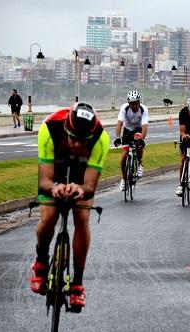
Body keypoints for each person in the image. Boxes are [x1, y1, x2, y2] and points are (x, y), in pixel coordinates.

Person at [29, 102, 110, 311]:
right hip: (55, 168)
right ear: (66, 128)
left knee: (82, 218)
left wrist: (81, 189)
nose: (76, 144)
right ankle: (41, 262)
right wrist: (54, 188)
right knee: (49, 217)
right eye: (73, 138)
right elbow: (44, 181)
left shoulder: (101, 138)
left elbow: (90, 186)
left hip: (81, 174)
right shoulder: (49, 128)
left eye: (82, 141)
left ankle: (77, 283)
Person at [113, 91, 148, 191]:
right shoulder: (124, 108)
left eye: (136, 103)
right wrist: (117, 138)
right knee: (124, 156)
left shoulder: (143, 109)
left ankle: (141, 163)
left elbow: (145, 126)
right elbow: (119, 124)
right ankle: (123, 180)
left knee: (138, 145)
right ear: (129, 104)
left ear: (139, 102)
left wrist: (142, 139)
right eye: (132, 104)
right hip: (127, 130)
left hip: (138, 129)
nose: (134, 106)